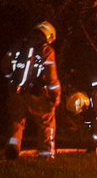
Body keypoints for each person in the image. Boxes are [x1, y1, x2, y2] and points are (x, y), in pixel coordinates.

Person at [4, 21, 62, 159]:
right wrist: (56, 94)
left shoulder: (19, 45)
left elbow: (5, 65)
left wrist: (11, 82)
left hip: (16, 92)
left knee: (16, 122)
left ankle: (12, 148)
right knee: (46, 123)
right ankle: (46, 154)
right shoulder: (46, 50)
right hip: (37, 93)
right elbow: (51, 77)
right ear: (48, 35)